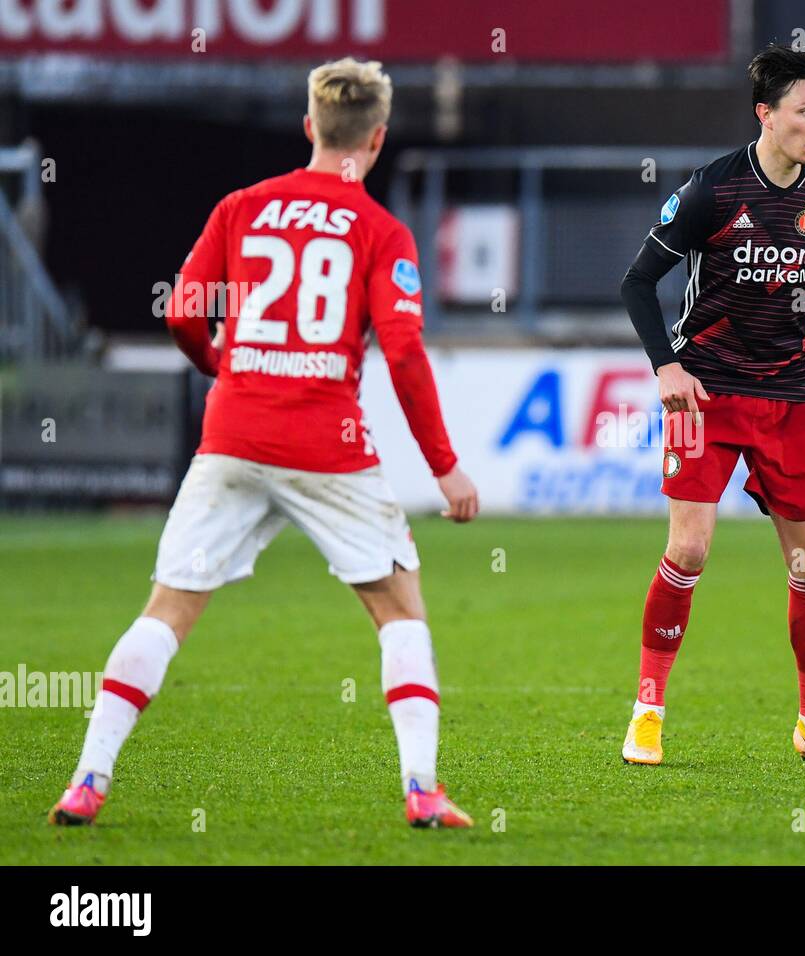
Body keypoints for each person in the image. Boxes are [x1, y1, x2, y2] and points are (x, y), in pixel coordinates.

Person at [49, 58, 479, 829]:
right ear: (377, 139)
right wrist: (444, 469)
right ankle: (421, 788)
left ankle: (88, 777)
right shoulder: (382, 231)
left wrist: (228, 369)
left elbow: (183, 312)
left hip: (235, 434)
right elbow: (406, 353)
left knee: (168, 610)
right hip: (328, 444)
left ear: (310, 127)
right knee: (400, 611)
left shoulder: (243, 206)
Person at [618, 44, 805, 767]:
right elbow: (638, 283)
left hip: (788, 394)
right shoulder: (711, 192)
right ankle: (647, 712)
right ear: (767, 113)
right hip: (704, 390)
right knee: (688, 547)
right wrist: (665, 366)